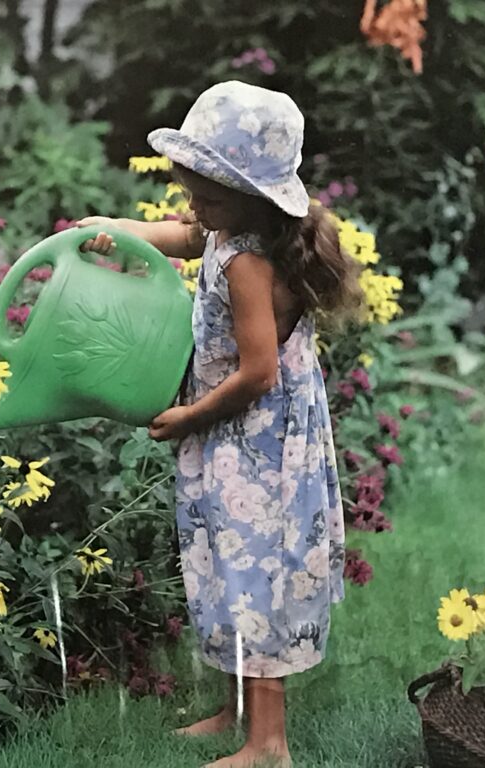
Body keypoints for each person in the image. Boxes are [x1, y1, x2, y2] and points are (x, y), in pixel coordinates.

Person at [77, 81, 363, 768]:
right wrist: (114, 233)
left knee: (255, 577)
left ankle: (269, 745)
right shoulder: (233, 231)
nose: (192, 206)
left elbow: (260, 372)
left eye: (205, 195)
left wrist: (190, 417)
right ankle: (236, 710)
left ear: (247, 196)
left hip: (257, 442)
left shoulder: (247, 262)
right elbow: (182, 235)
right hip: (240, 436)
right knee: (228, 570)